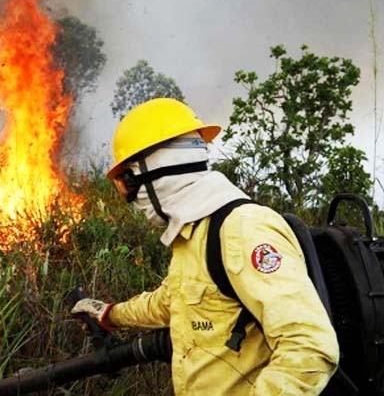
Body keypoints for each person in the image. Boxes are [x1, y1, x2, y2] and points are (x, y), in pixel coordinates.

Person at [71, 98, 339, 395]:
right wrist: (111, 314)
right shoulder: (197, 232)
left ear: (157, 169)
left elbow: (310, 348)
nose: (129, 198)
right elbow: (172, 301)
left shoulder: (243, 230)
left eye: (128, 183)